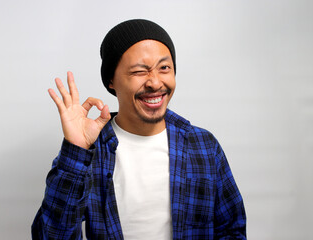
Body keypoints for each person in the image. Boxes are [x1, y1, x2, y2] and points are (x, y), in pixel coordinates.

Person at [32, 19, 246, 240]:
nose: (155, 82)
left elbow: (232, 230)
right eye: (139, 71)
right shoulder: (90, 152)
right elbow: (50, 236)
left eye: (164, 68)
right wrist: (76, 151)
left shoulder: (203, 146)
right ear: (111, 80)